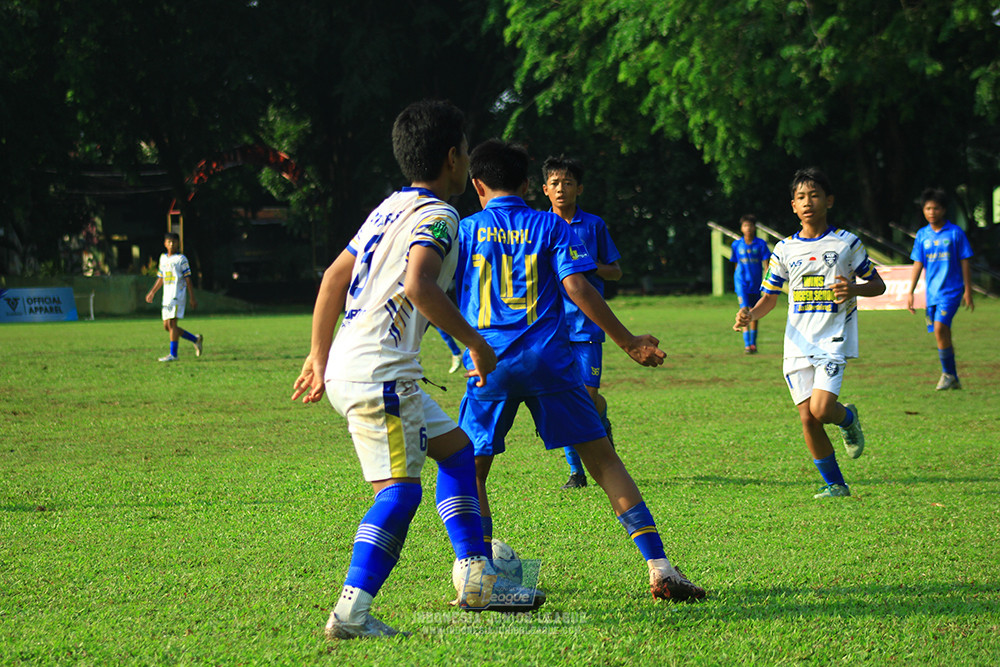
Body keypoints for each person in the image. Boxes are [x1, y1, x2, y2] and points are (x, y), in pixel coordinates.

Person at [291, 101, 534, 641]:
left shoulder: (389, 206)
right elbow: (420, 285)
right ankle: (351, 612)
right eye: (466, 151)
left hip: (360, 365)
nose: (469, 161)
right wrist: (474, 343)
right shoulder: (441, 215)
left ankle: (478, 579)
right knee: (399, 493)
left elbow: (333, 276)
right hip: (382, 373)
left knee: (457, 450)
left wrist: (317, 354)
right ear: (453, 159)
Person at [455, 139, 706, 602]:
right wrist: (628, 341)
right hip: (550, 361)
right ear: (530, 185)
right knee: (605, 460)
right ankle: (660, 568)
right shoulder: (550, 225)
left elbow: (440, 294)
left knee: (470, 470)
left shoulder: (465, 229)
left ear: (477, 185)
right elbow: (578, 287)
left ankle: (481, 573)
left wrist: (462, 347)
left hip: (490, 362)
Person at [733, 167, 885, 499]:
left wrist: (855, 288)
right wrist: (749, 315)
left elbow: (879, 284)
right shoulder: (784, 249)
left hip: (832, 340)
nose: (808, 202)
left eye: (814, 195)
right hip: (796, 343)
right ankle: (835, 485)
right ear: (793, 205)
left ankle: (848, 418)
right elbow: (769, 298)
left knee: (821, 409)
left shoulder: (847, 243)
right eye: (801, 197)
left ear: (828, 200)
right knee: (807, 419)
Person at [540, 154, 622, 489]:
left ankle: (602, 425)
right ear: (545, 189)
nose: (561, 189)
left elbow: (615, 271)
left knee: (587, 398)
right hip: (551, 327)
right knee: (562, 401)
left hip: (587, 325)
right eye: (555, 184)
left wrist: (588, 268)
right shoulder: (537, 226)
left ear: (579, 188)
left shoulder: (594, 226)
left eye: (568, 183)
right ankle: (576, 471)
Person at [906, 188, 975, 390]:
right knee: (941, 333)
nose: (931, 212)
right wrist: (910, 292)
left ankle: (947, 374)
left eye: (936, 208)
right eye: (928, 208)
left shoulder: (955, 233)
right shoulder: (922, 235)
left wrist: (968, 290)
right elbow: (918, 263)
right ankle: (952, 376)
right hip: (932, 293)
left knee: (940, 328)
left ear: (943, 210)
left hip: (952, 291)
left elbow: (965, 261)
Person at [145, 233, 203, 362]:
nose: (171, 244)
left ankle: (173, 355)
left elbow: (188, 279)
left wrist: (192, 298)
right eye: (169, 242)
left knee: (172, 324)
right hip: (167, 296)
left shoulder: (181, 259)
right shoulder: (163, 258)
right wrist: (152, 292)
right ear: (165, 243)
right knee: (168, 327)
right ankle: (195, 339)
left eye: (174, 242)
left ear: (178, 243)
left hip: (177, 295)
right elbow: (161, 278)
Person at [730, 214, 771, 354]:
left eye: (750, 225)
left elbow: (767, 265)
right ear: (741, 228)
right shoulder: (736, 245)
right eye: (745, 225)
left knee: (755, 312)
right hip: (741, 283)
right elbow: (735, 264)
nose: (748, 228)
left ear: (754, 227)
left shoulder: (761, 244)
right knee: (745, 310)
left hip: (756, 283)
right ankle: (747, 345)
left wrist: (767, 282)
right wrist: (736, 282)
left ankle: (753, 343)